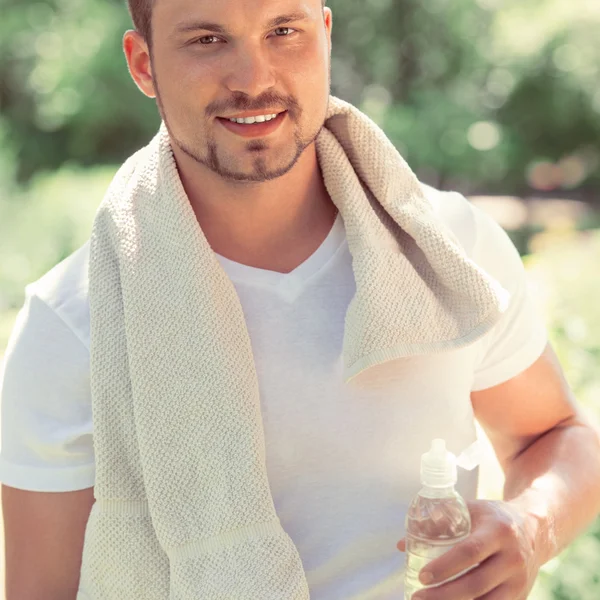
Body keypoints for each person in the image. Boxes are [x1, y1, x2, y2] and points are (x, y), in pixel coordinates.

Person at [1, 0, 600, 598]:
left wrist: (532, 526)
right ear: (143, 64)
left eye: (284, 31)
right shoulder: (71, 324)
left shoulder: (448, 249)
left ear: (326, 36)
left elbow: (554, 434)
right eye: (208, 41)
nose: (254, 80)